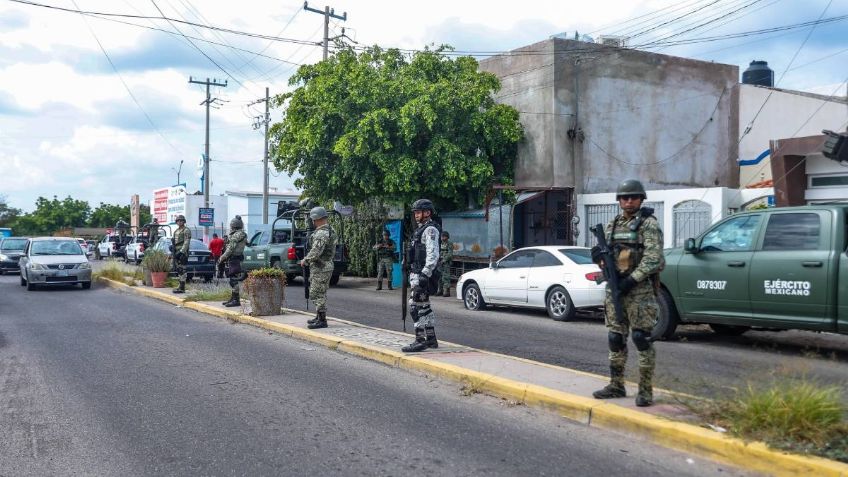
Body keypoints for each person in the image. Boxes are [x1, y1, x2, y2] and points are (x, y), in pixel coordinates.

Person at [591, 179, 665, 407]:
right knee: (615, 337)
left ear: (641, 199)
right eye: (624, 197)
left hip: (639, 290)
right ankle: (616, 385)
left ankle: (645, 390)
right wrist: (599, 258)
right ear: (619, 201)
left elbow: (654, 259)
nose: (628, 201)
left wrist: (631, 280)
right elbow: (610, 257)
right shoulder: (612, 225)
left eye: (633, 197)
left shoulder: (648, 224)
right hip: (616, 288)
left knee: (641, 338)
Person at [402, 199, 441, 353]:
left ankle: (420, 339)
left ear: (427, 213)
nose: (416, 215)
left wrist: (426, 273)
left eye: (419, 212)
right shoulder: (420, 229)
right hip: (416, 272)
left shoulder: (430, 230)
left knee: (414, 306)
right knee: (424, 306)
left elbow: (433, 254)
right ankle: (431, 338)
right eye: (415, 212)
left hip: (423, 274)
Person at [301, 207, 336, 329]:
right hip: (323, 266)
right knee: (320, 291)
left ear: (316, 219)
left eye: (312, 219)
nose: (312, 222)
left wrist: (305, 260)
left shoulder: (322, 233)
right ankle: (318, 316)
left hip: (321, 266)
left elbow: (316, 251)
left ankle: (322, 320)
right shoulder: (328, 230)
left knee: (316, 292)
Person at [218, 216, 247, 307]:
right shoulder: (239, 234)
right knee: (232, 279)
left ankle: (236, 300)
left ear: (233, 225)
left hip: (235, 258)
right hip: (234, 258)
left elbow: (231, 248)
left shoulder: (238, 234)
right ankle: (233, 298)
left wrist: (222, 257)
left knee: (234, 279)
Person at [171, 215, 192, 294]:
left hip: (183, 252)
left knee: (182, 269)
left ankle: (182, 287)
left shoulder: (186, 230)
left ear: (184, 221)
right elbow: (175, 242)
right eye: (178, 221)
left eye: (181, 220)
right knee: (178, 270)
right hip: (176, 251)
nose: (179, 222)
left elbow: (187, 242)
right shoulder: (176, 231)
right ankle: (180, 285)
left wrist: (182, 251)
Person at [437, 230, 454, 297]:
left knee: (446, 277)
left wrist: (444, 260)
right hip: (440, 262)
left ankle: (446, 292)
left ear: (447, 237)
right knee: (439, 277)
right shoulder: (441, 243)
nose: (442, 238)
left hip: (446, 263)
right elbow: (440, 252)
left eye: (444, 236)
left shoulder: (449, 243)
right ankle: (440, 290)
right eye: (442, 236)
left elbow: (450, 254)